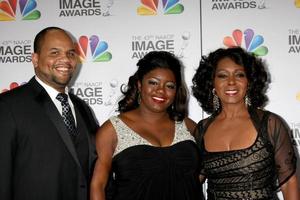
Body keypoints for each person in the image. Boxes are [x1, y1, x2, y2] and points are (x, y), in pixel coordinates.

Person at [0, 27, 99, 200]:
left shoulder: (83, 108)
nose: (65, 59)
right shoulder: (8, 106)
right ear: (35, 59)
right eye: (54, 52)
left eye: (70, 53)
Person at [90, 51, 203, 200]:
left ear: (176, 91)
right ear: (139, 84)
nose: (161, 90)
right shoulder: (113, 129)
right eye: (153, 82)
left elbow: (205, 168)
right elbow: (98, 185)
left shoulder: (187, 125)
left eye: (169, 86)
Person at [192, 47, 299, 200]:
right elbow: (192, 183)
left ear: (249, 82)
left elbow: (289, 184)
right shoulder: (202, 129)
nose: (231, 82)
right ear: (212, 83)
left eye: (239, 75)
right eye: (222, 76)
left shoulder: (269, 124)